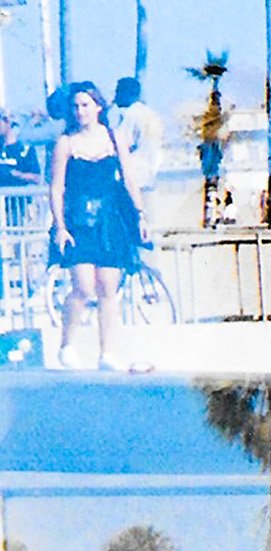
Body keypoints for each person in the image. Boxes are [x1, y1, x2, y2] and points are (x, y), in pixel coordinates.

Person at [48, 82, 146, 370]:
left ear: (98, 107)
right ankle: (67, 343)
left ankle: (107, 352)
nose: (80, 111)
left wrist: (139, 215)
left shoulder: (115, 139)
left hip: (109, 218)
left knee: (108, 287)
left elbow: (129, 179)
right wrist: (60, 226)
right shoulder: (65, 143)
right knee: (83, 286)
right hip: (79, 220)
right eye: (76, 106)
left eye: (85, 105)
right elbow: (56, 188)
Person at [112, 78, 164, 214]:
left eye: (118, 92)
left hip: (133, 176)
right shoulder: (151, 115)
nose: (115, 96)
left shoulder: (131, 115)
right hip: (150, 174)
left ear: (127, 93)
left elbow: (123, 144)